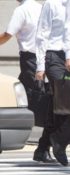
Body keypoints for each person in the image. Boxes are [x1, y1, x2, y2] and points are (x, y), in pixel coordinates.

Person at [0, 0, 56, 163]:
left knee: (39, 103)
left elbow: (7, 35)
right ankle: (45, 148)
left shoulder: (22, 10)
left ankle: (44, 147)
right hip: (44, 59)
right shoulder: (42, 8)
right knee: (20, 99)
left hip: (31, 61)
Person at [35, 0, 70, 166]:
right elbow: (41, 34)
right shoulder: (52, 4)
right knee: (67, 103)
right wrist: (40, 66)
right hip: (55, 57)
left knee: (66, 106)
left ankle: (44, 146)